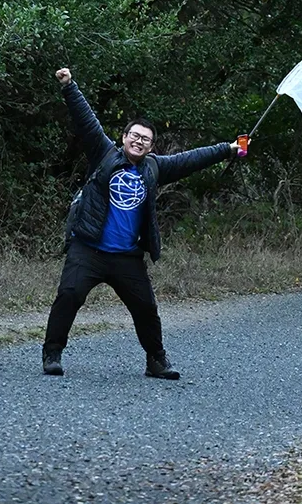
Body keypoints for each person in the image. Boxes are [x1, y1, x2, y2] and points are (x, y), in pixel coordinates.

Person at [43, 67, 243, 380]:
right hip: (89, 249)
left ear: (151, 147)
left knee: (146, 309)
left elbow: (191, 159)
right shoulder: (103, 153)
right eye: (134, 136)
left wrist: (228, 149)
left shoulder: (154, 168)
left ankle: (157, 361)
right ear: (124, 138)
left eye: (145, 139)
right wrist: (69, 86)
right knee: (69, 295)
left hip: (126, 256)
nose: (139, 141)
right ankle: (52, 353)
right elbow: (85, 119)